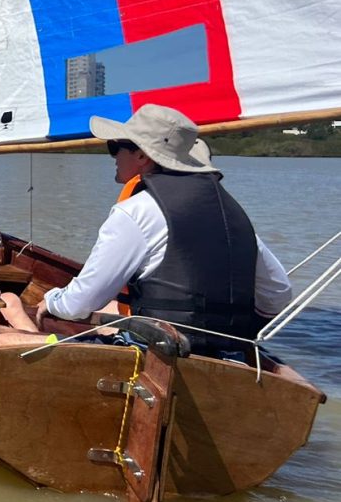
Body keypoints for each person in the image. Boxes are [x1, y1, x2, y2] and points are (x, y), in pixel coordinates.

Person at [31, 104, 291, 357]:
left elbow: (79, 304)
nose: (112, 156)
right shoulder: (232, 213)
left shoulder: (135, 212)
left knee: (1, 339)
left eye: (115, 147)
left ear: (142, 156)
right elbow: (278, 295)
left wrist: (51, 300)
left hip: (162, 358)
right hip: (230, 354)